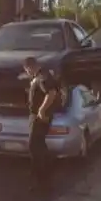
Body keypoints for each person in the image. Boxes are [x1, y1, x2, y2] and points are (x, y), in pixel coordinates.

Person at [23, 56, 58, 190]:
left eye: (27, 70)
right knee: (40, 146)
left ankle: (40, 180)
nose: (27, 73)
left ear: (30, 67)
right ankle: (45, 177)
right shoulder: (39, 76)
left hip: (39, 117)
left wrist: (41, 110)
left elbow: (51, 93)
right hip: (37, 116)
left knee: (34, 147)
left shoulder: (42, 76)